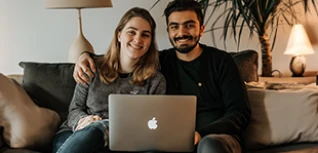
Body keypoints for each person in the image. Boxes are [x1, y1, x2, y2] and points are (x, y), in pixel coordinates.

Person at [73, 0, 251, 153]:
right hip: (173, 139)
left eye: (189, 25)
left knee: (209, 145)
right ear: (168, 31)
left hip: (216, 138)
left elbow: (240, 113)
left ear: (201, 29)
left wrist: (201, 133)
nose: (181, 33)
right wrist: (84, 55)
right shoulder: (160, 61)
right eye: (175, 26)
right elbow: (129, 54)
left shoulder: (221, 61)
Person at [52, 7, 166, 153]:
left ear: (150, 41)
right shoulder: (92, 67)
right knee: (94, 130)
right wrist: (84, 122)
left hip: (122, 139)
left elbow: (153, 124)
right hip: (75, 134)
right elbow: (75, 110)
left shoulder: (155, 80)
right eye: (131, 32)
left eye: (145, 35)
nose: (138, 39)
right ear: (119, 35)